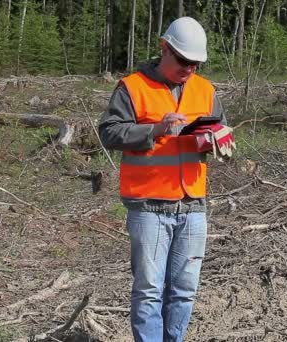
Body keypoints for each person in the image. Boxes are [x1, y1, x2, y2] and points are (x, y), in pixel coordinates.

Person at [98, 17, 226, 342]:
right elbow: (109, 131)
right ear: (164, 48)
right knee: (149, 291)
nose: (189, 69)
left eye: (195, 63)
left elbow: (222, 132)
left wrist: (216, 141)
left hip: (193, 205)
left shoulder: (205, 90)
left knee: (184, 290)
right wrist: (154, 130)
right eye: (183, 60)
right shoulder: (133, 87)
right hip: (149, 206)